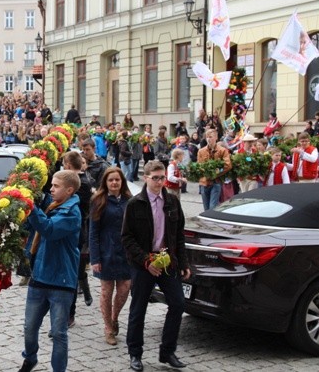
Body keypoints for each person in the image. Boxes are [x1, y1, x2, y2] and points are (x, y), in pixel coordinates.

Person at [121, 160, 191, 372]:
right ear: (146, 178)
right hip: (143, 263)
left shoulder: (171, 201)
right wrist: (146, 261)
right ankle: (135, 353)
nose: (160, 182)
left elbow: (179, 234)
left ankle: (167, 351)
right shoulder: (135, 204)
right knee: (138, 309)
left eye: (162, 177)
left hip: (167, 261)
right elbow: (127, 238)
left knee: (178, 303)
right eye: (155, 178)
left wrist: (183, 262)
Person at [18, 170, 82, 372]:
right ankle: (30, 357)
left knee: (58, 333)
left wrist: (30, 205)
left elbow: (49, 230)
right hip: (40, 276)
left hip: (61, 281)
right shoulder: (53, 205)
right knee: (29, 328)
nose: (51, 189)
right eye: (51, 185)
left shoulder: (72, 212)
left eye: (56, 186)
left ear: (69, 190)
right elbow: (33, 226)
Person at [89, 167, 132, 346]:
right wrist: (95, 259)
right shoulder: (98, 201)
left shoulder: (130, 201)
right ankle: (108, 328)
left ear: (122, 182)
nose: (114, 183)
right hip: (106, 252)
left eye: (117, 180)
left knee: (124, 289)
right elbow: (93, 232)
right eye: (111, 180)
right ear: (105, 183)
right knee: (107, 291)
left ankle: (114, 318)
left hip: (126, 254)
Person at [62, 151, 95, 326]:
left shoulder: (81, 183)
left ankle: (70, 313)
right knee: (73, 271)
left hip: (77, 231)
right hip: (72, 231)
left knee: (72, 273)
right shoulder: (77, 179)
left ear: (67, 165)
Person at [197, 129, 232, 211]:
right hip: (204, 182)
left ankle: (212, 222)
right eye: (207, 137)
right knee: (206, 208)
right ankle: (207, 223)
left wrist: (217, 173)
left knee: (213, 206)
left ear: (216, 137)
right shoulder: (201, 151)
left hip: (216, 181)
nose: (208, 139)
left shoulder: (222, 150)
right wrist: (204, 172)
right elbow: (199, 165)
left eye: (210, 137)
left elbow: (227, 165)